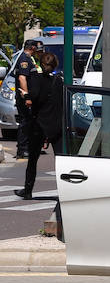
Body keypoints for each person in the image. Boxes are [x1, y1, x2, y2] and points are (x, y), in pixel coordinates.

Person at [15, 53, 63, 200]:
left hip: (39, 124)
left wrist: (25, 95)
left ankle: (28, 190)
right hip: (55, 124)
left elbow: (34, 97)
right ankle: (65, 191)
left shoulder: (37, 79)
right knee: (61, 160)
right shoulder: (59, 81)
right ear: (55, 64)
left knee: (33, 159)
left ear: (41, 64)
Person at [12, 39, 43, 159]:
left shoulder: (29, 58)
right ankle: (22, 150)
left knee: (29, 123)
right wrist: (27, 97)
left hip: (28, 98)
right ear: (32, 48)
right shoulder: (24, 59)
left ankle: (27, 148)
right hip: (25, 99)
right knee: (25, 123)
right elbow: (22, 78)